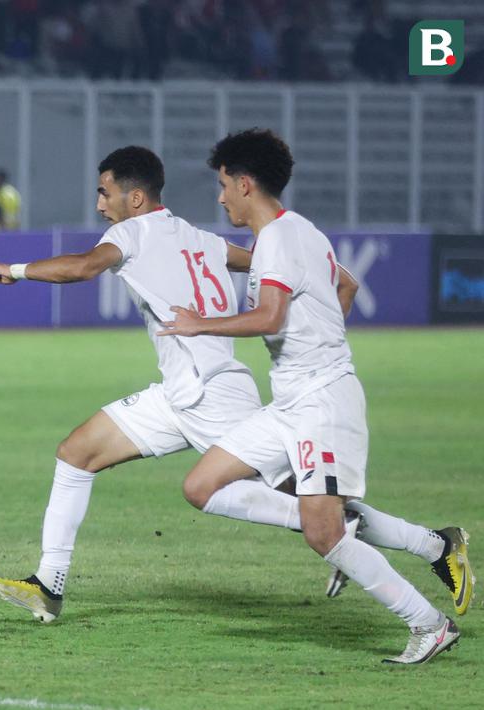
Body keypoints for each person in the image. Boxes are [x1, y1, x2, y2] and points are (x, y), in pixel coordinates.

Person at [0, 146, 467, 632]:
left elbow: (82, 267)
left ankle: (431, 546)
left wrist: (14, 271)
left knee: (313, 504)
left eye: (105, 193)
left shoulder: (131, 234)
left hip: (214, 395)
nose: (100, 205)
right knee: (76, 452)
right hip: (176, 393)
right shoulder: (201, 238)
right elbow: (329, 277)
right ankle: (49, 584)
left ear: (135, 198)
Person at [160, 129, 471, 664]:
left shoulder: (280, 241)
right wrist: (318, 341)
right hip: (290, 403)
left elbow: (270, 317)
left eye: (223, 186)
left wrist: (199, 326)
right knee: (202, 484)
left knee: (322, 532)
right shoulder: (299, 233)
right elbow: (344, 287)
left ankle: (428, 624)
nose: (220, 198)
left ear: (245, 182)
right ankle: (432, 544)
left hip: (321, 405)